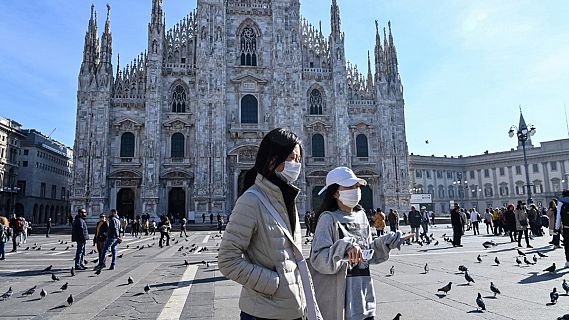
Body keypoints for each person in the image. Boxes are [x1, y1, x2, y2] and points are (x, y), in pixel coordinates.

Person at [218, 128, 311, 320]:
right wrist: (273, 284)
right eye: (291, 158)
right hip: (263, 312)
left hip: (293, 309)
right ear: (271, 160)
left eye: (299, 159)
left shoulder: (287, 201)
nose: (297, 164)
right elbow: (227, 260)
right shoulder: (251, 200)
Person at [309, 167, 404, 320]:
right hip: (339, 300)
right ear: (335, 192)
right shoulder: (328, 218)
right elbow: (318, 259)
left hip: (364, 297)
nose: (355, 189)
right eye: (349, 186)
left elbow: (367, 253)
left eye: (356, 186)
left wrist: (385, 243)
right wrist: (345, 247)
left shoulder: (361, 216)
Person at [555, 190, 569, 268]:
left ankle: (568, 261)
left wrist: (557, 227)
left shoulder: (561, 203)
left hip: (566, 228)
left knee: (567, 245)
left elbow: (558, 217)